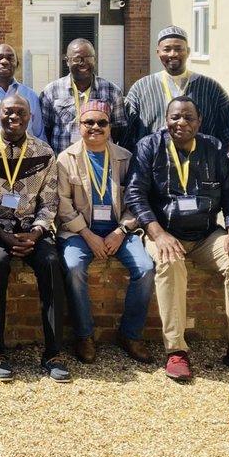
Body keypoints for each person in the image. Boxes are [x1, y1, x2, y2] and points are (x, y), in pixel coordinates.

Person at [126, 96, 229, 382]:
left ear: (199, 122)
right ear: (166, 120)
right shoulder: (150, 146)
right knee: (170, 263)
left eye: (188, 118)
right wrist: (158, 234)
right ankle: (176, 351)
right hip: (164, 232)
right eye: (175, 117)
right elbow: (135, 193)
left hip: (207, 234)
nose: (181, 123)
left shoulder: (215, 148)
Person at [56, 100, 155, 365]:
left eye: (102, 122)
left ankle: (130, 335)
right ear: (79, 126)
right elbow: (63, 206)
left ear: (111, 127)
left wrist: (121, 231)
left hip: (119, 232)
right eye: (89, 122)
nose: (95, 127)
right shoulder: (65, 160)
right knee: (74, 269)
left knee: (145, 268)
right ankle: (84, 335)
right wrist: (88, 235)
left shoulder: (125, 157)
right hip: (78, 232)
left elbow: (137, 199)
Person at [0, 95, 70, 382]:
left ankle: (53, 353)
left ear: (30, 117)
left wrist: (35, 232)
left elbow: (50, 202)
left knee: (52, 262)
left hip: (32, 230)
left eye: (20, 112)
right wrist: (2, 235)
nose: (13, 117)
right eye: (8, 112)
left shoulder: (44, 152)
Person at [123, 26, 229, 148]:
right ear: (158, 53)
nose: (173, 54)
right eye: (166, 49)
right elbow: (127, 132)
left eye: (178, 49)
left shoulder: (209, 87)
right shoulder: (141, 88)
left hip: (200, 163)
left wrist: (220, 158)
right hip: (153, 163)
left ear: (188, 51)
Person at [40, 38, 127, 153]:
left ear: (94, 60)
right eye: (77, 58)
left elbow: (118, 129)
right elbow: (45, 130)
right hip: (64, 163)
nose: (83, 62)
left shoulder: (112, 91)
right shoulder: (51, 91)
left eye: (88, 58)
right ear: (67, 61)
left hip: (100, 162)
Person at [0, 43, 44, 140]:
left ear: (17, 64)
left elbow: (39, 134)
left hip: (26, 153)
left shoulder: (31, 95)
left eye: (10, 58)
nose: (4, 61)